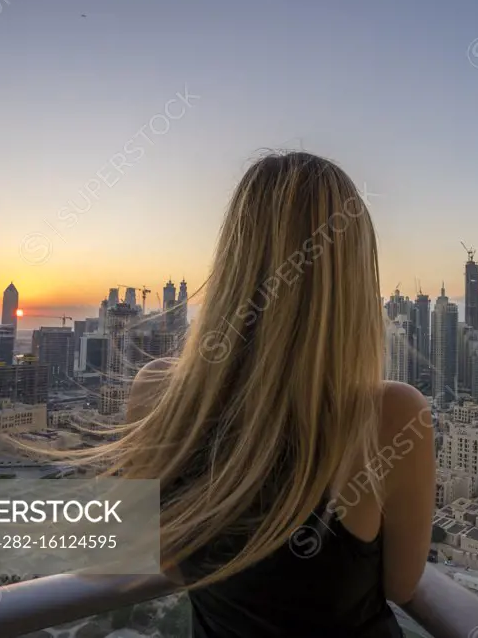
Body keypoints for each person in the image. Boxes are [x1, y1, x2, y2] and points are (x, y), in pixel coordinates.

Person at [89, 152, 435, 637]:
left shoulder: (156, 393)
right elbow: (401, 585)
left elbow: (164, 560)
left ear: (233, 260)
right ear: (354, 278)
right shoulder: (393, 416)